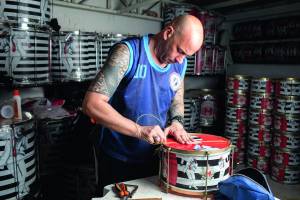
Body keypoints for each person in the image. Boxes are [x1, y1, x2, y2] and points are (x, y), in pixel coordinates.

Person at [82, 14, 204, 196]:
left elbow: (176, 96)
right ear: (168, 32)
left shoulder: (180, 63)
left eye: (186, 55)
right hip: (118, 156)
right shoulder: (128, 53)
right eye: (180, 50)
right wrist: (139, 130)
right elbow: (91, 104)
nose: (181, 59)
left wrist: (177, 122)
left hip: (156, 154)